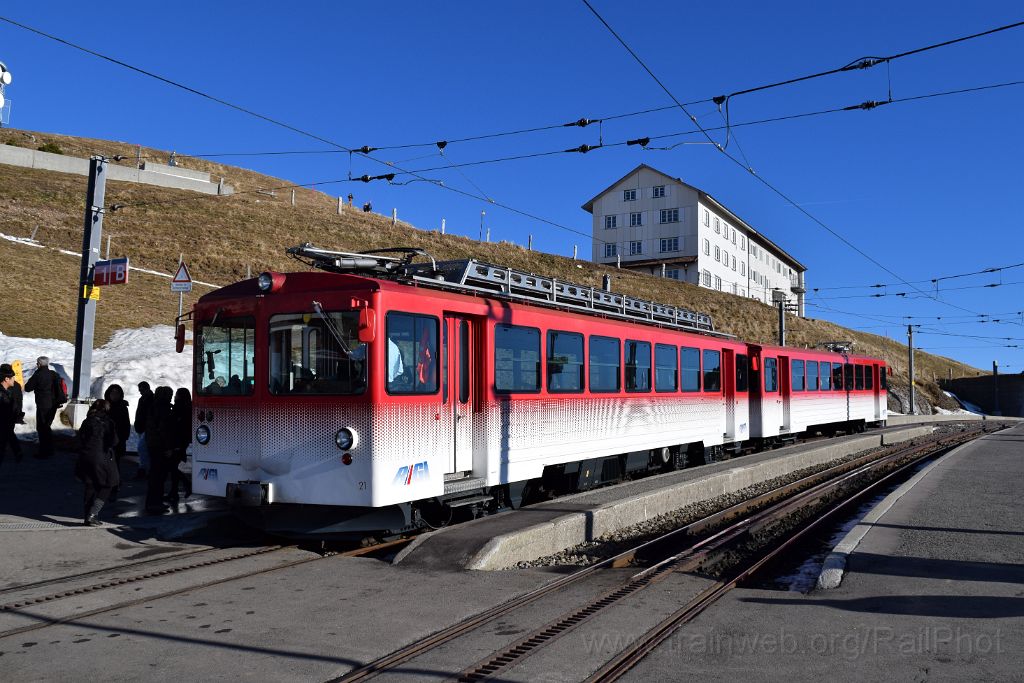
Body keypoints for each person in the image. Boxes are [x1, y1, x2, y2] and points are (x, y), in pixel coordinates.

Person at [74, 399, 119, 526]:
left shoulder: (87, 421)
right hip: (101, 457)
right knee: (109, 483)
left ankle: (87, 517)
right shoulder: (108, 422)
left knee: (90, 485)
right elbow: (114, 441)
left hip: (85, 456)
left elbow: (79, 439)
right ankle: (93, 514)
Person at [24, 356, 64, 459]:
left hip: (42, 405)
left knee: (42, 428)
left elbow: (28, 388)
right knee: (47, 426)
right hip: (53, 404)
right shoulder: (53, 374)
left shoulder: (38, 375)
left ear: (39, 364)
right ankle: (50, 449)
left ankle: (44, 451)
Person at [143, 386, 175, 514]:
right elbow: (164, 430)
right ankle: (155, 503)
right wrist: (168, 447)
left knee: (155, 475)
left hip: (153, 445)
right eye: (170, 395)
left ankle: (152, 502)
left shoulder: (153, 407)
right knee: (159, 476)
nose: (171, 397)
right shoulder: (163, 409)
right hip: (160, 446)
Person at [168, 387, 193, 503]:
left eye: (176, 394)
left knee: (172, 467)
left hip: (177, 441)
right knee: (174, 467)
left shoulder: (178, 407)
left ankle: (185, 486)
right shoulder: (188, 407)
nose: (174, 396)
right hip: (183, 440)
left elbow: (175, 425)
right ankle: (174, 492)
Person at [1, 366, 24, 465]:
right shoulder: (3, 393)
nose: (14, 379)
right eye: (12, 377)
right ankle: (17, 452)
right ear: (6, 378)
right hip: (7, 419)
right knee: (8, 434)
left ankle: (17, 452)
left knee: (8, 434)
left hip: (9, 418)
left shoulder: (9, 389)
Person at [133, 381, 154, 480]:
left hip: (146, 428)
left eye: (141, 390)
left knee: (142, 449)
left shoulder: (150, 399)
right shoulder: (143, 399)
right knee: (144, 450)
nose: (140, 392)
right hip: (142, 428)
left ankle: (144, 470)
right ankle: (146, 470)